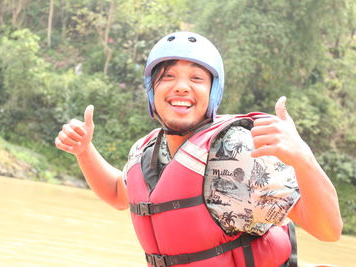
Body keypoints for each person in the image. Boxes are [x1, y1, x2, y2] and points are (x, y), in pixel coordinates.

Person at [55, 32, 342, 267]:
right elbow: (118, 194)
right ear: (151, 90)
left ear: (213, 93)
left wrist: (304, 159)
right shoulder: (147, 151)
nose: (181, 87)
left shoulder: (237, 151)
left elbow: (327, 230)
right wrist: (84, 151)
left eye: (196, 79)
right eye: (168, 77)